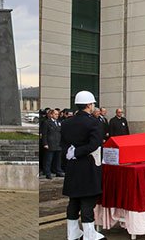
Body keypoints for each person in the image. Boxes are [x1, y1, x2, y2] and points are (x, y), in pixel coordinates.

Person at [62, 90, 105, 240]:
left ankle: (72, 233)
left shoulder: (66, 122)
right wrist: (78, 152)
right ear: (88, 104)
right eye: (93, 103)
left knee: (73, 200)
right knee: (88, 200)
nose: (93, 106)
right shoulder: (94, 122)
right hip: (88, 165)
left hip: (72, 166)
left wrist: (71, 153)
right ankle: (89, 234)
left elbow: (64, 143)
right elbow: (95, 144)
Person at [40, 107, 64, 179]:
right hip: (50, 143)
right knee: (48, 159)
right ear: (51, 114)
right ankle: (47, 173)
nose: (57, 115)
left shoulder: (59, 122)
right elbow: (44, 134)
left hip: (58, 143)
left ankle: (58, 171)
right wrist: (45, 143)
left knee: (58, 159)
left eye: (58, 114)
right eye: (55, 114)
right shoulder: (47, 122)